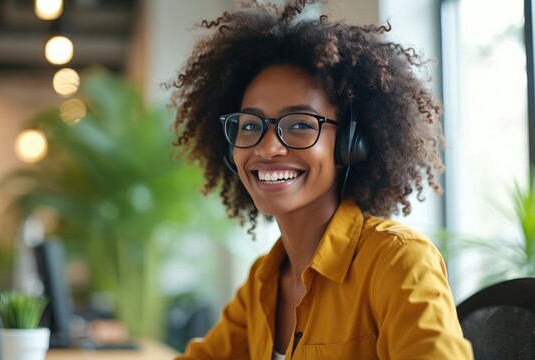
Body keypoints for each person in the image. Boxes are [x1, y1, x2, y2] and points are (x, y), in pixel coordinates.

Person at [166, 1, 473, 359]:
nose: (268, 148)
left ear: (349, 144)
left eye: (299, 125)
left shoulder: (397, 262)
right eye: (250, 126)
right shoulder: (263, 281)